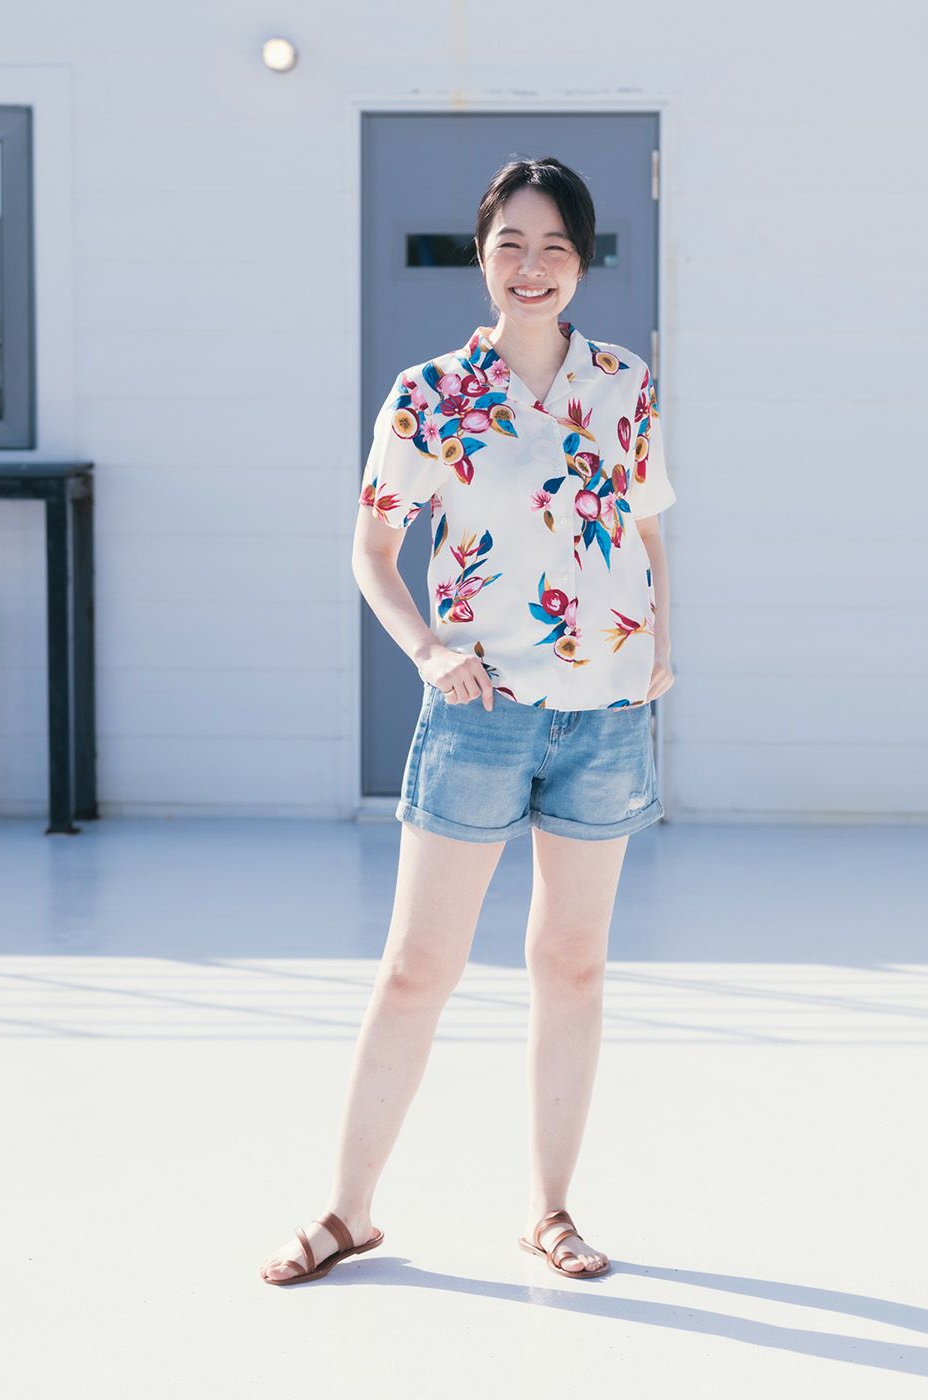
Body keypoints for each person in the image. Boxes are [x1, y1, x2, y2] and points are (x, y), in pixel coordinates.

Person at [259, 155, 676, 1285]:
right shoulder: (430, 393)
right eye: (510, 245)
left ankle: (551, 1212)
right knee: (416, 966)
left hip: (605, 716)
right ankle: (346, 1213)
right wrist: (430, 652)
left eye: (553, 247)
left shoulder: (623, 383)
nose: (531, 267)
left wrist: (659, 649)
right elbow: (373, 549)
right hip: (480, 712)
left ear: (581, 260)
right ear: (481, 256)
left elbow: (645, 528)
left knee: (572, 966)